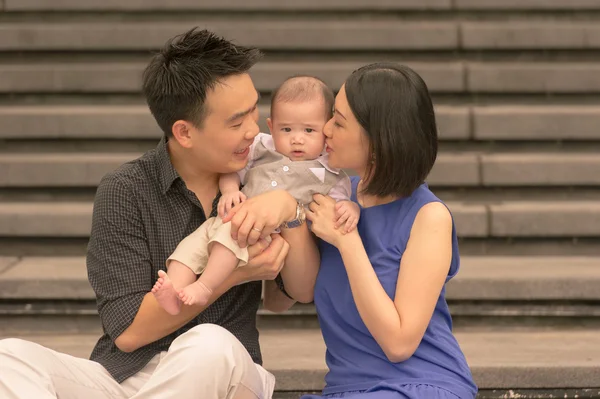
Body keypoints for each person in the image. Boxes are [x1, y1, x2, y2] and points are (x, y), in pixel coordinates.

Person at [0, 28, 319, 399]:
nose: (253, 130)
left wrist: (291, 208)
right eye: (236, 122)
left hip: (226, 371)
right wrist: (231, 277)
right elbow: (129, 332)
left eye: (253, 111)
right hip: (127, 379)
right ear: (184, 132)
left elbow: (294, 294)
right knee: (9, 357)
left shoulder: (264, 176)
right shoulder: (126, 189)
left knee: (209, 345)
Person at [301, 63, 478, 398]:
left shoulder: (429, 217)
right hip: (345, 389)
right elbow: (290, 295)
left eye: (338, 122)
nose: (324, 129)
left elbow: (399, 343)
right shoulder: (334, 196)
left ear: (379, 141)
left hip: (419, 385)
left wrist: (347, 241)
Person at [152, 75, 360, 314]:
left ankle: (204, 286)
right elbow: (233, 171)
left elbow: (341, 204)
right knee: (190, 247)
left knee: (226, 244)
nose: (297, 138)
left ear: (326, 130)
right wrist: (229, 190)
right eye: (287, 129)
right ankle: (173, 289)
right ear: (271, 127)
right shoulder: (261, 147)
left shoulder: (330, 174)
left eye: (309, 130)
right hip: (228, 218)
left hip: (258, 233)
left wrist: (351, 208)